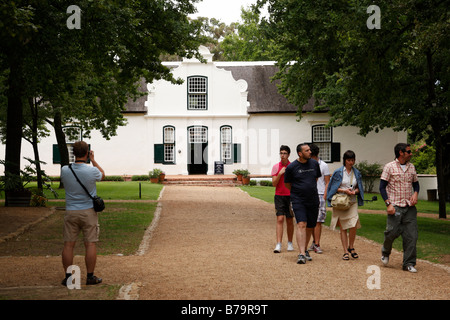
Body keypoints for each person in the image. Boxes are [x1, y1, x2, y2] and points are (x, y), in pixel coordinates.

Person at [61, 141, 105, 286]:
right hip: (88, 212)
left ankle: (69, 278)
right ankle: (90, 277)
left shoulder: (64, 170)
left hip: (71, 211)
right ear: (87, 153)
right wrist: (93, 160)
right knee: (90, 244)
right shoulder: (91, 171)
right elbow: (102, 175)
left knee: (68, 245)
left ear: (73, 153)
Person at [379, 143, 420, 273]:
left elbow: (416, 184)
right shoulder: (389, 167)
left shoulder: (411, 167)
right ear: (401, 153)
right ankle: (385, 252)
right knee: (391, 233)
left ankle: (409, 263)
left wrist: (415, 194)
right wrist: (388, 204)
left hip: (409, 207)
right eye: (408, 151)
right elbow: (382, 187)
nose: (411, 153)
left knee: (411, 236)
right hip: (395, 206)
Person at [284, 143, 321, 264]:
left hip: (313, 199)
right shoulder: (292, 167)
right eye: (307, 150)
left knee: (310, 226)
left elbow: (315, 179)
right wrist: (299, 192)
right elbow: (287, 184)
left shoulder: (315, 164)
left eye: (310, 150)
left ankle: (305, 250)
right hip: (298, 200)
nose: (310, 152)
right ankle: (300, 254)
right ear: (300, 153)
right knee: (301, 224)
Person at [326, 150, 364, 261]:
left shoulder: (357, 173)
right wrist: (344, 190)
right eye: (349, 160)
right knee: (343, 227)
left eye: (352, 160)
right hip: (341, 202)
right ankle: (345, 251)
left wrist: (354, 192)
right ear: (345, 160)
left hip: (352, 201)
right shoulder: (338, 172)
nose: (351, 162)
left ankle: (351, 246)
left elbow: (359, 188)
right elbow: (332, 188)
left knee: (353, 224)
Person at [271, 145, 294, 253]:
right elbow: (274, 183)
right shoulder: (276, 167)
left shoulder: (292, 166)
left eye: (285, 153)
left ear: (288, 155)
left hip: (290, 196)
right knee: (280, 219)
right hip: (279, 195)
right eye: (281, 153)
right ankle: (279, 243)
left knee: (289, 220)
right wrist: (280, 174)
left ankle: (290, 242)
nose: (282, 155)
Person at [308, 144, 330, 254]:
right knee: (311, 220)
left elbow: (327, 182)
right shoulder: (307, 164)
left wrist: (324, 196)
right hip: (309, 194)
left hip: (320, 194)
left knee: (318, 221)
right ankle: (314, 242)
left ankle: (317, 243)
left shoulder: (324, 165)